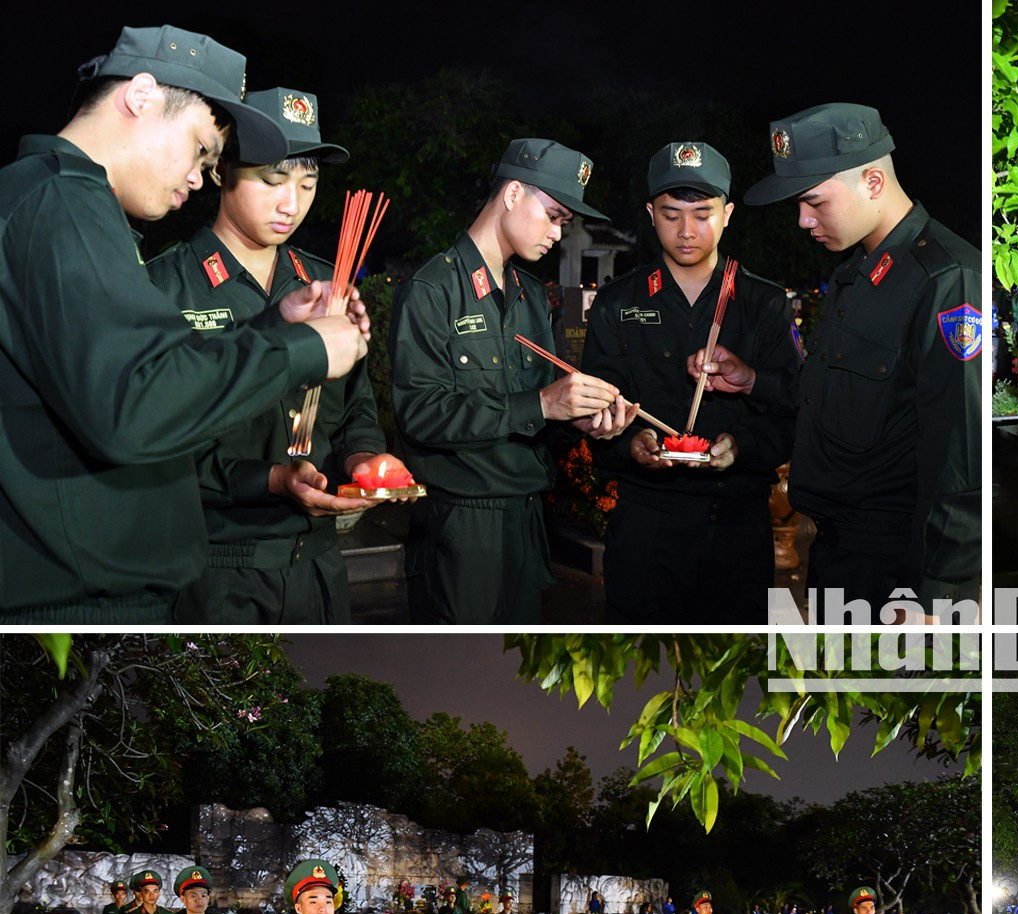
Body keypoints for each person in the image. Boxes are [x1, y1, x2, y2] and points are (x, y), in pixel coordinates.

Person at [0, 24, 371, 622]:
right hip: (79, 602)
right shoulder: (64, 203)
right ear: (141, 96)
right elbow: (134, 403)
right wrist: (299, 350)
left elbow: (137, 371)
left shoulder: (59, 201)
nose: (199, 177)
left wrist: (272, 330)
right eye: (201, 148)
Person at [704, 103, 980, 618]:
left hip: (897, 571)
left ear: (872, 181)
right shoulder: (857, 275)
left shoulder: (945, 279)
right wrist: (751, 381)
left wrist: (935, 599)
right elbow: (832, 395)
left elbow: (960, 460)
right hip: (836, 557)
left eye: (814, 202)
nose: (804, 220)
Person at [145, 86, 397, 623]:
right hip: (215, 573)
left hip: (321, 570)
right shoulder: (164, 289)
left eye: (308, 185)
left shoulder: (326, 282)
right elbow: (153, 448)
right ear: (219, 171)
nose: (293, 204)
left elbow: (356, 407)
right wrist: (272, 480)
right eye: (272, 180)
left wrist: (364, 462)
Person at [390, 137, 626, 624]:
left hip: (524, 518)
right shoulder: (433, 289)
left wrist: (578, 418)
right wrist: (541, 405)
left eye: (565, 223)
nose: (559, 235)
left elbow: (540, 402)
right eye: (555, 215)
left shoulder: (529, 294)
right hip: (459, 524)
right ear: (514, 194)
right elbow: (420, 414)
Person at [582, 141, 799, 623]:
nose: (686, 231)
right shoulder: (618, 303)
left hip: (738, 528)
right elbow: (596, 412)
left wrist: (740, 446)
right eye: (671, 213)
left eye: (702, 214)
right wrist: (629, 440)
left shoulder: (764, 304)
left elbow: (794, 412)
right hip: (646, 526)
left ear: (728, 215)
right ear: (650, 213)